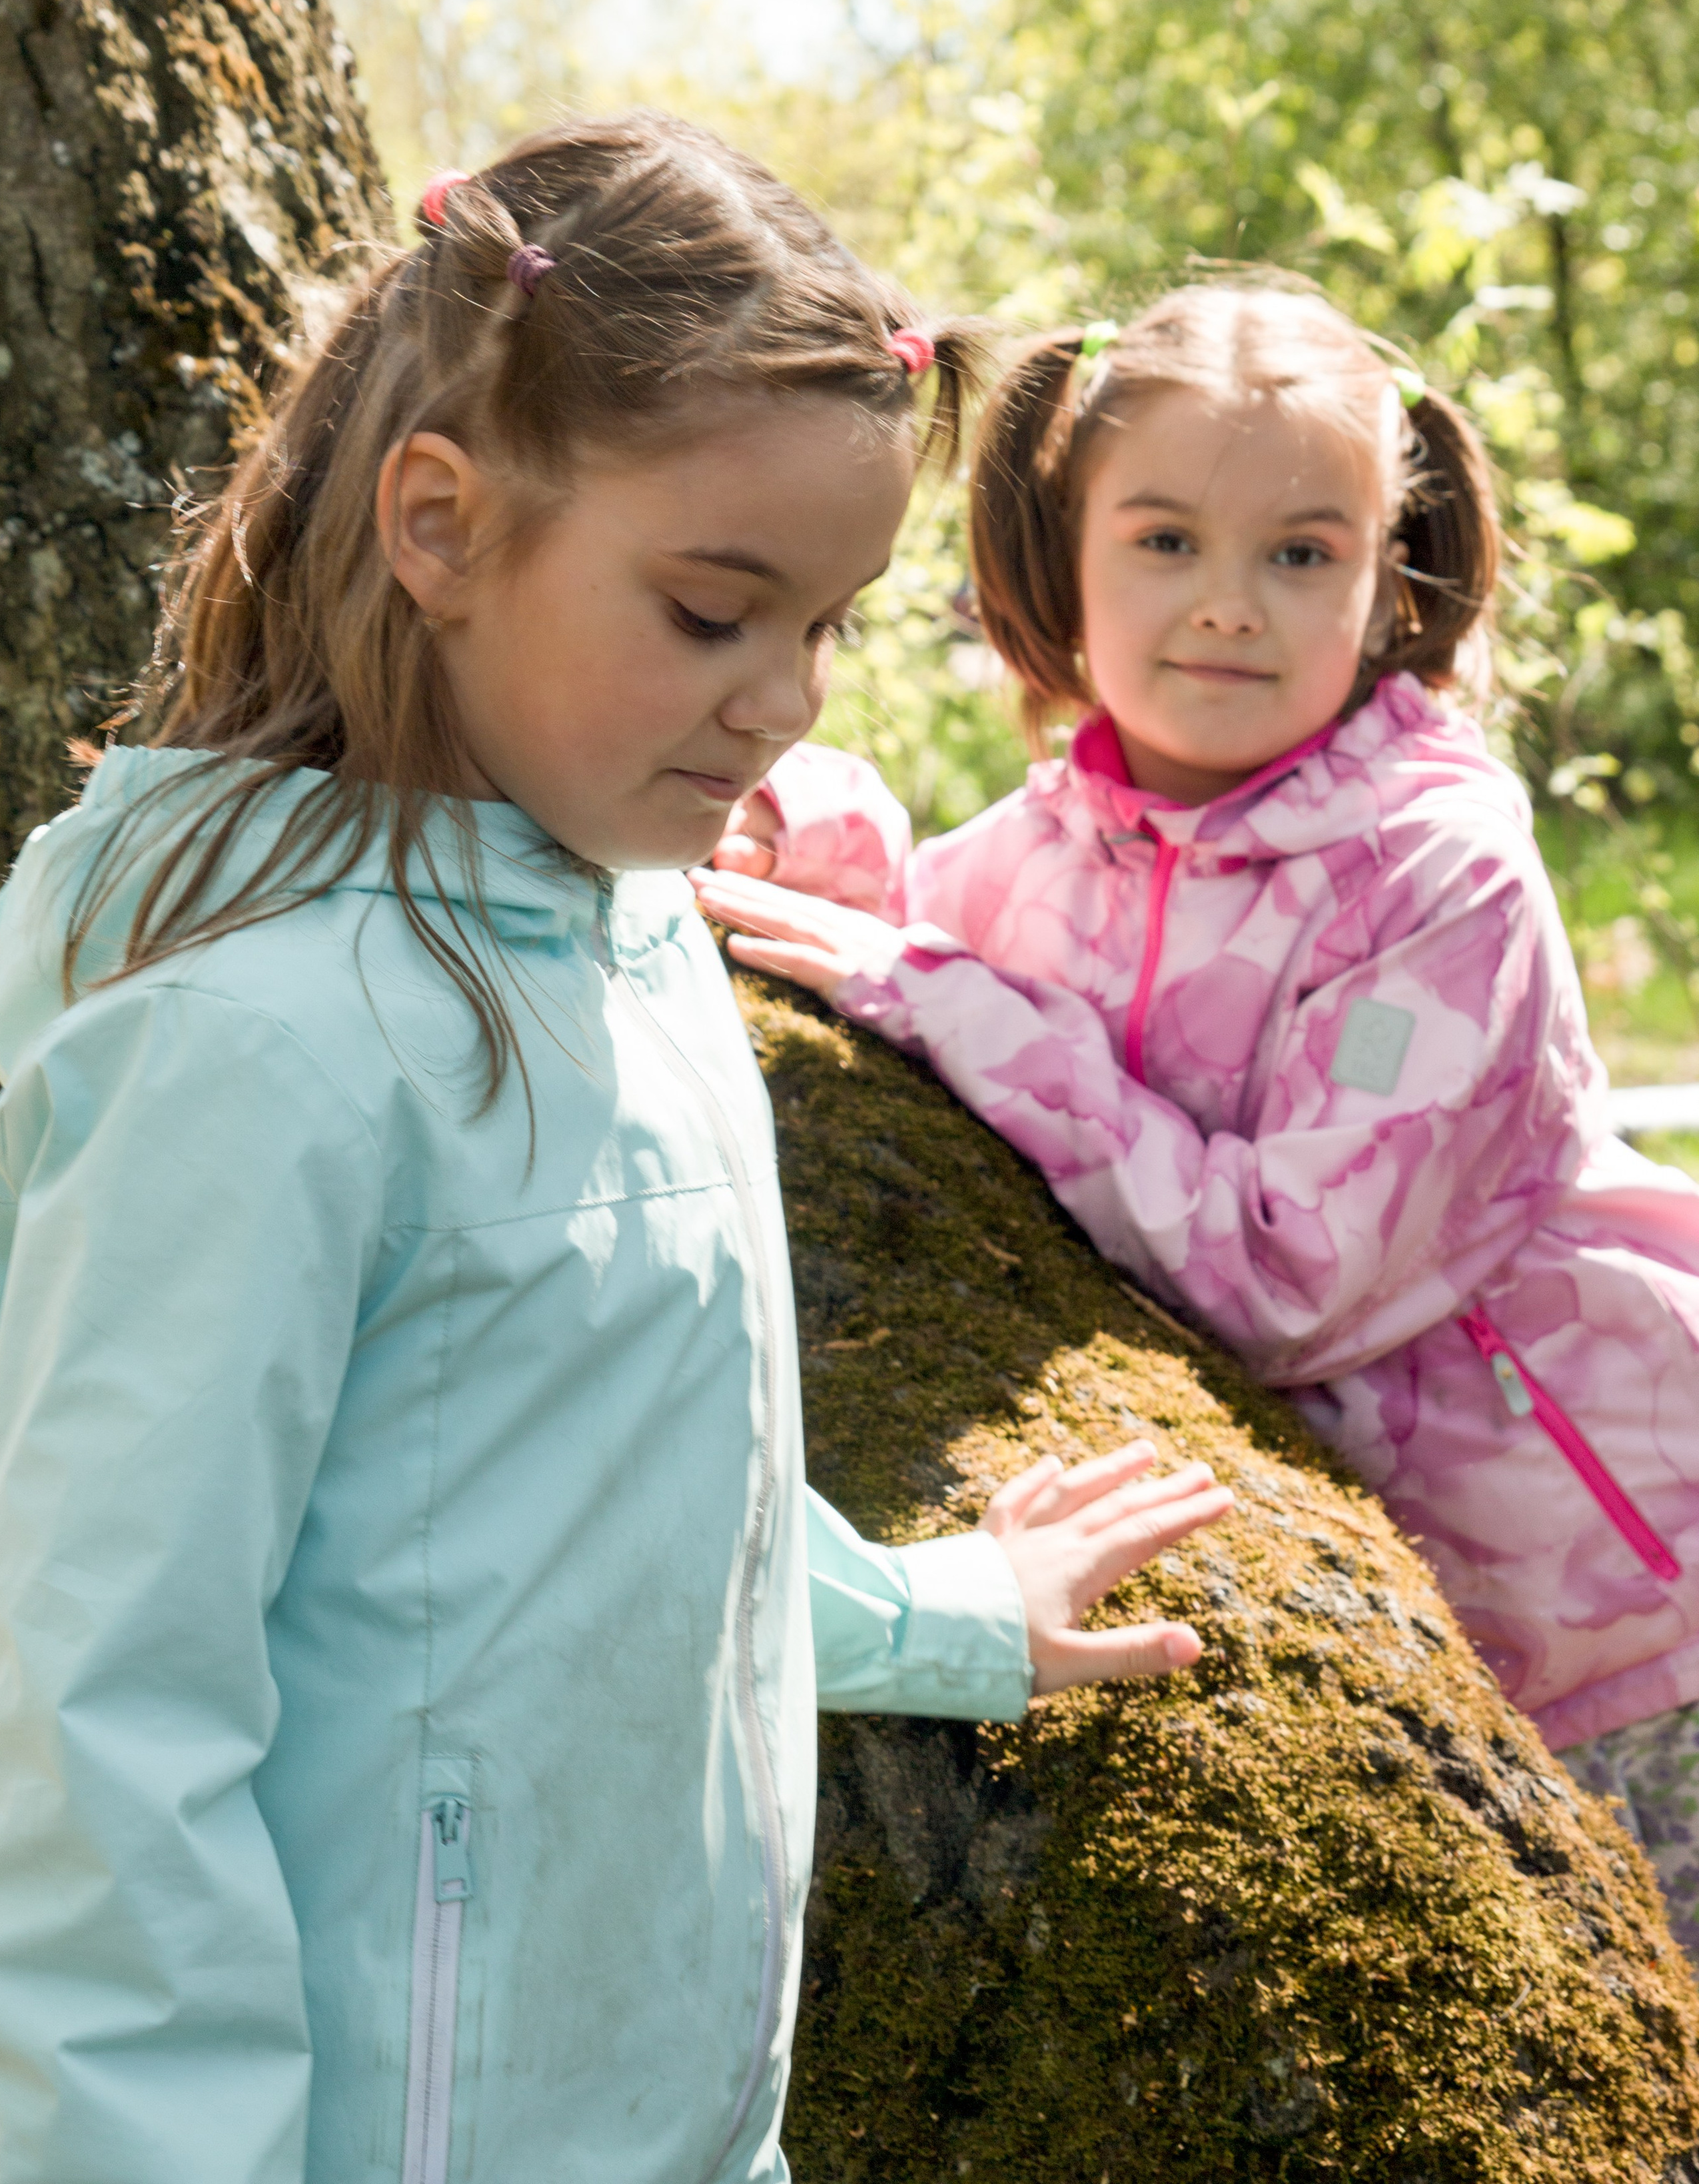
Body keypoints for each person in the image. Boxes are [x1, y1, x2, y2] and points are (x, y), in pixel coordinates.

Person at [0, 119, 1236, 2184]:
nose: (780, 701)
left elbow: (618, 1496)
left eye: (825, 628)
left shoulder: (634, 935)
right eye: (709, 611)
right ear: (441, 525)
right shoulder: (244, 1051)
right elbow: (90, 1734)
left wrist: (940, 1615)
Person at [695, 278, 1699, 1956]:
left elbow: (1290, 1280)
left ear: (1390, 583)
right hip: (1416, 1633)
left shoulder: (1439, 878)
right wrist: (790, 814)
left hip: (1627, 1602)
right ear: (1059, 553)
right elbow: (924, 930)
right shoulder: (1056, 848)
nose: (1226, 605)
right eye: (1163, 540)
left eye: (1300, 553)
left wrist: (945, 998)